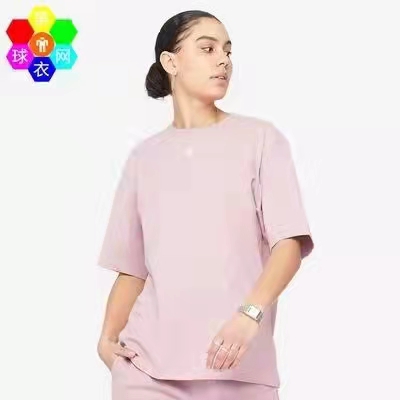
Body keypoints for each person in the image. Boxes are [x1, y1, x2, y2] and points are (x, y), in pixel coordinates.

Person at [97, 9, 314, 400]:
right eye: (208, 48)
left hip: (239, 371)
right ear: (171, 62)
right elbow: (132, 268)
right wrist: (107, 339)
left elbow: (289, 244)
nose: (224, 61)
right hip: (146, 372)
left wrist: (250, 314)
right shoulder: (144, 158)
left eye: (228, 51)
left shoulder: (261, 140)